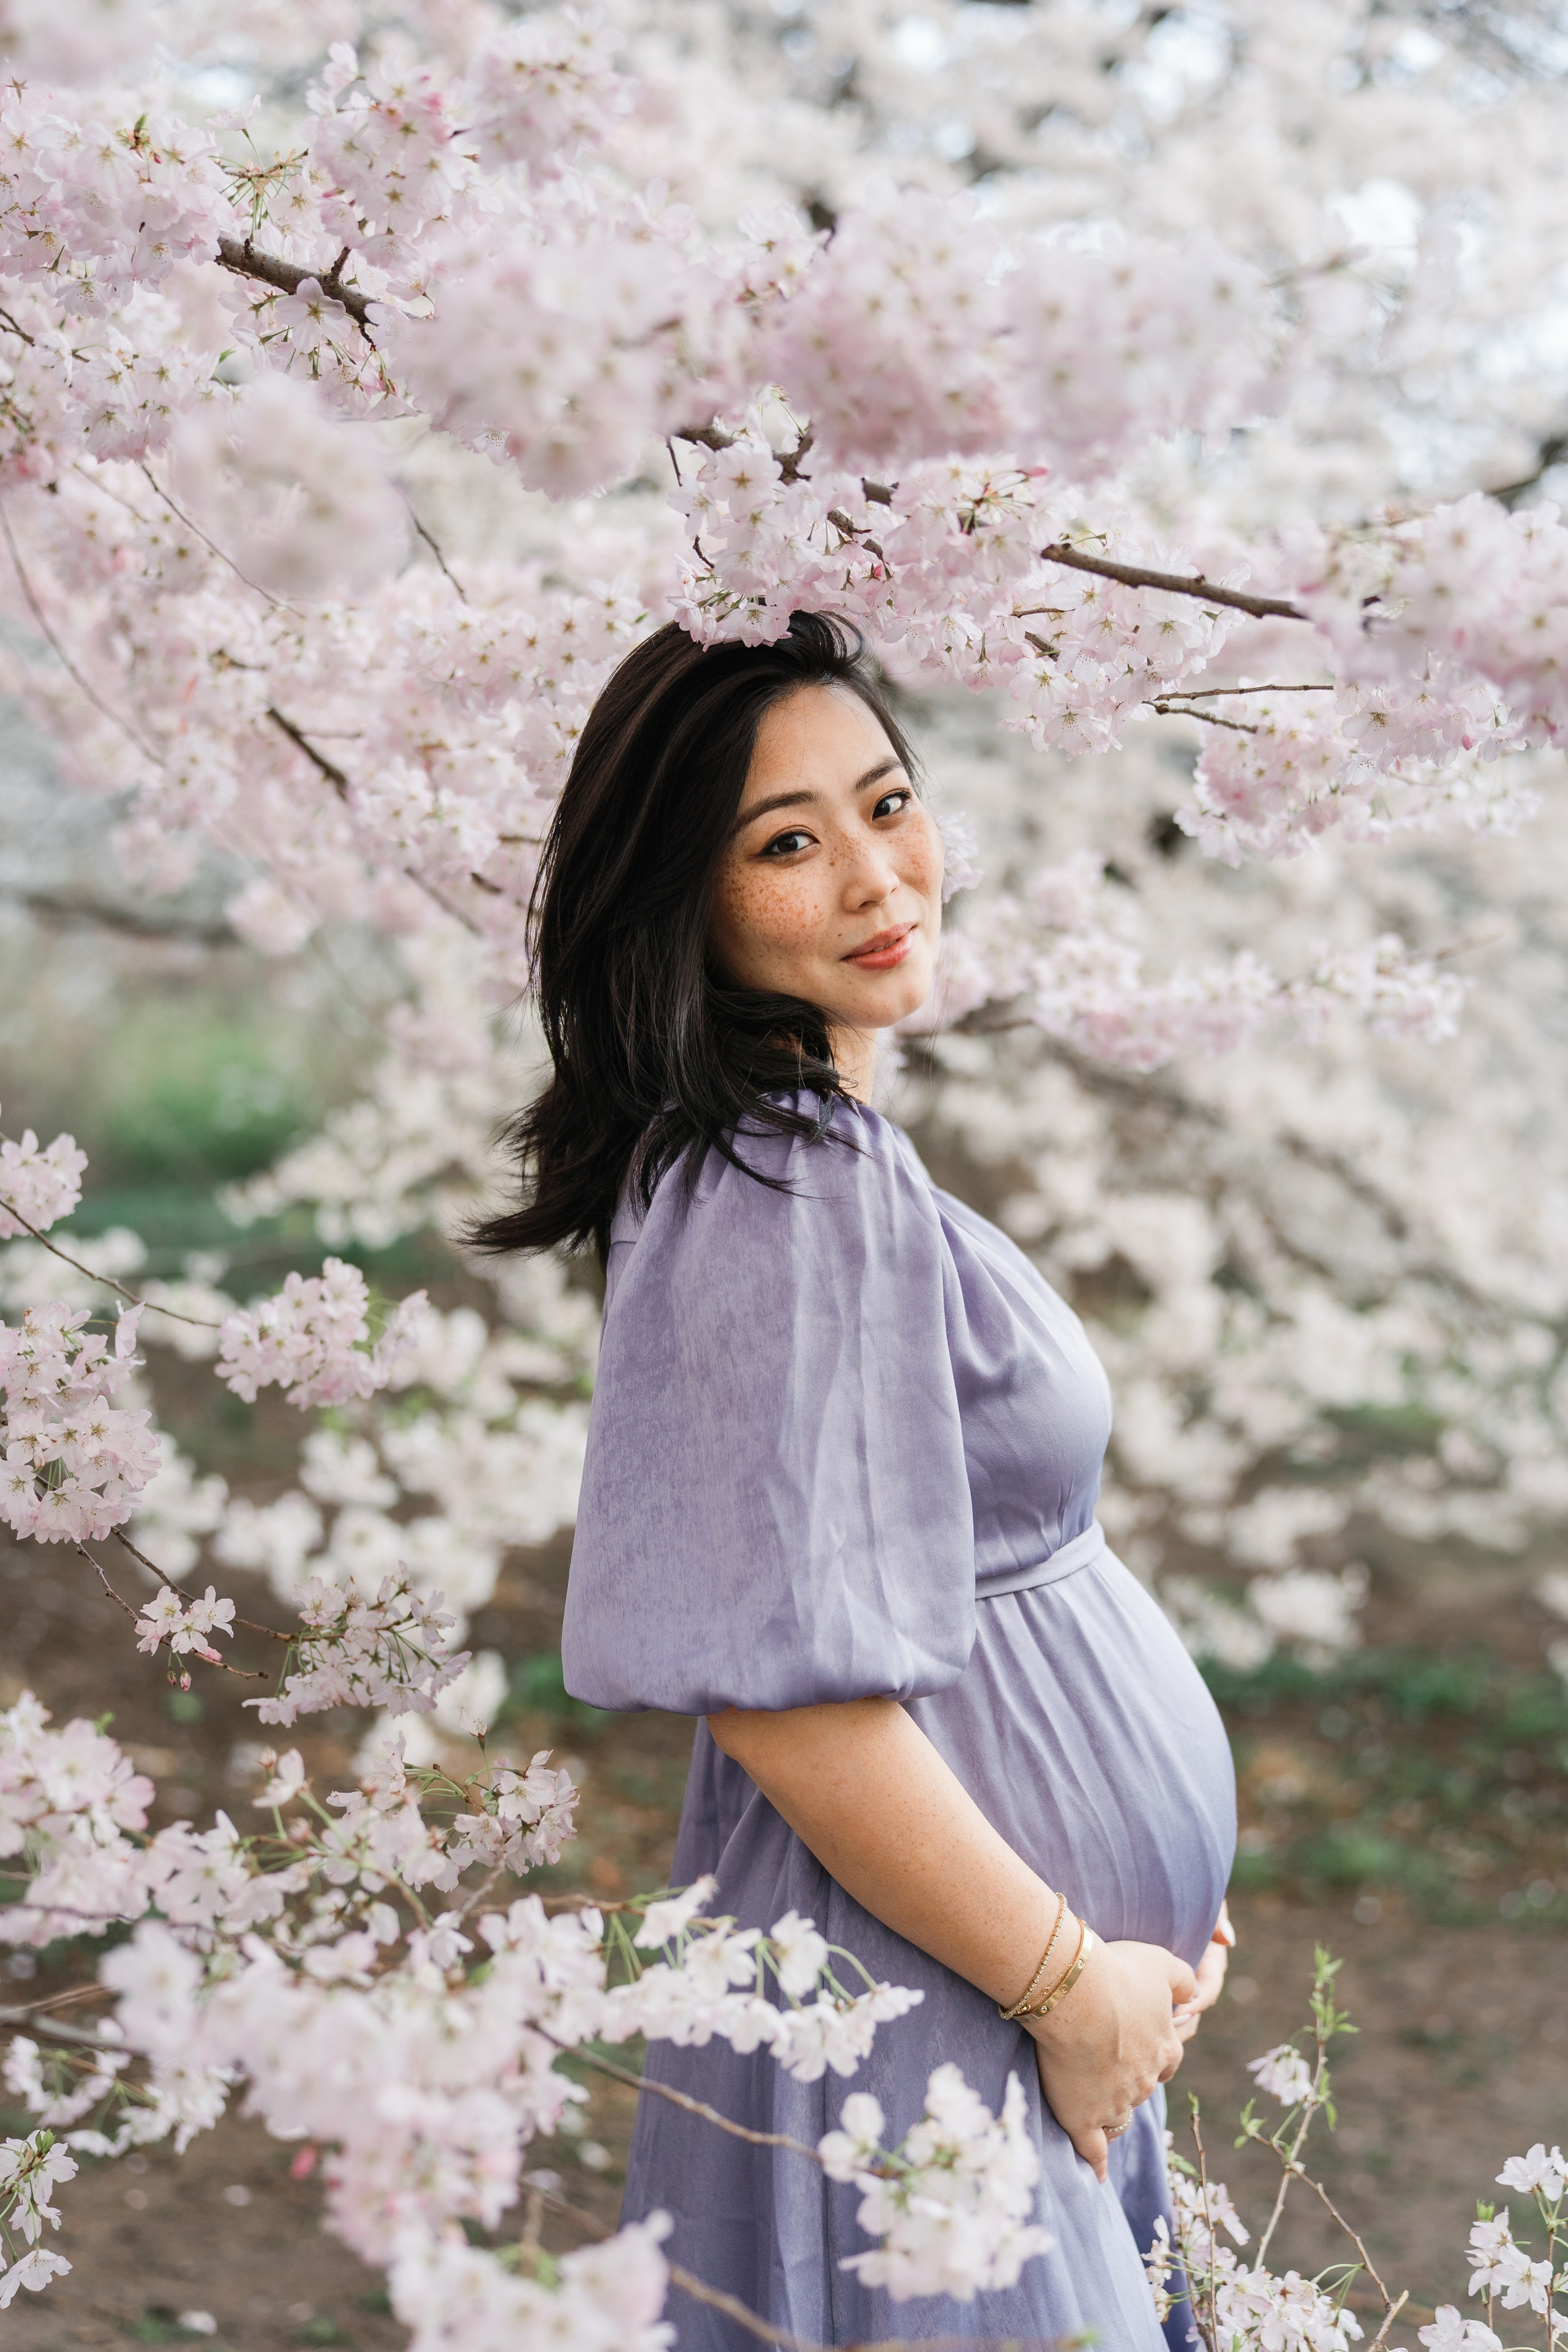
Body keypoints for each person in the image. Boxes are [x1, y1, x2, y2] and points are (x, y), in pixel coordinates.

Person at [473, 612, 1238, 2350]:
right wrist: (1069, 1980)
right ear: (689, 901)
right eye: (788, 844)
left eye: (886, 804)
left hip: (1005, 1993)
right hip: (931, 2004)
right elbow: (791, 1703)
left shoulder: (830, 1166)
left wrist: (1135, 1951)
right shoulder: (775, 1194)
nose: (877, 875)